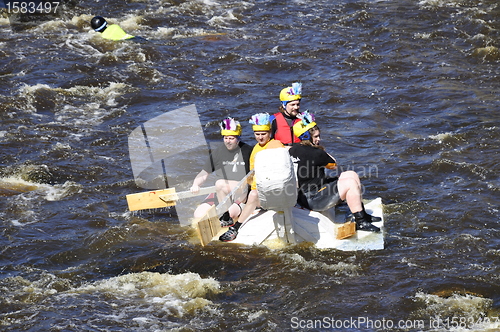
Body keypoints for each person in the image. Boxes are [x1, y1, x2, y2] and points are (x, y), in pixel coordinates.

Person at [288, 111, 381, 232]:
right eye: (316, 137)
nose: (319, 139)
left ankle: (361, 214)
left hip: (304, 196)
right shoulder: (316, 153)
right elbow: (333, 165)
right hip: (313, 199)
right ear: (306, 136)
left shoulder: (292, 150)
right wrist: (320, 150)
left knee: (350, 175)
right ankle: (361, 222)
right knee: (350, 183)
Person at [219, 113, 284, 242]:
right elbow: (251, 177)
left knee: (253, 194)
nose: (260, 137)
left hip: (271, 193)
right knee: (245, 190)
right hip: (256, 189)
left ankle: (235, 228)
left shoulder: (275, 144)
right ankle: (227, 216)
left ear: (270, 132)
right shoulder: (255, 148)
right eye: (257, 134)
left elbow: (283, 154)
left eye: (263, 134)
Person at [191, 117, 252, 226]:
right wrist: (195, 184)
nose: (228, 141)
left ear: (238, 138)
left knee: (221, 186)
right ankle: (223, 215)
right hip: (220, 193)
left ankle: (229, 215)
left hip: (239, 193)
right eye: (226, 138)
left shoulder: (248, 150)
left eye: (231, 138)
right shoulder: (218, 152)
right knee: (198, 215)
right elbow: (204, 173)